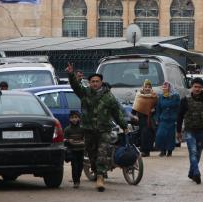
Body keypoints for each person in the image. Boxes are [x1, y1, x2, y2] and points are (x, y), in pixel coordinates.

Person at [66, 63, 127, 192]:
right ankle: (96, 170)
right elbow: (75, 86)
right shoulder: (85, 93)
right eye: (92, 81)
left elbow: (117, 113)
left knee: (102, 153)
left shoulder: (108, 96)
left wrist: (124, 125)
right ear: (89, 83)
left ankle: (100, 178)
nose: (95, 83)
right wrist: (71, 75)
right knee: (92, 154)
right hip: (88, 130)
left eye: (97, 81)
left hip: (104, 130)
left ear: (101, 82)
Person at [177, 77, 203, 184]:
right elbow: (179, 116)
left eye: (199, 87)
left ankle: (191, 173)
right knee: (193, 152)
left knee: (198, 153)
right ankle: (197, 172)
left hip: (202, 131)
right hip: (189, 131)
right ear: (191, 87)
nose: (197, 89)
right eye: (195, 87)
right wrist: (178, 131)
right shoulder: (185, 100)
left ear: (202, 88)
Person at [132, 79, 158, 157]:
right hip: (141, 118)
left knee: (148, 134)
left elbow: (157, 106)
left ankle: (146, 151)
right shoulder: (139, 95)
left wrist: (154, 109)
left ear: (151, 88)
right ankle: (143, 149)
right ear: (143, 87)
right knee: (142, 134)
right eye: (146, 87)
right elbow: (135, 106)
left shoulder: (154, 96)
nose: (147, 88)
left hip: (150, 118)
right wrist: (133, 115)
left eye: (149, 87)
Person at [155, 81, 181, 157]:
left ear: (170, 88)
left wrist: (178, 119)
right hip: (163, 119)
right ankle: (162, 150)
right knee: (160, 135)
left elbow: (178, 108)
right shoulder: (161, 97)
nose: (164, 89)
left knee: (170, 136)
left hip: (172, 119)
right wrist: (157, 119)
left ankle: (169, 151)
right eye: (163, 87)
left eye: (166, 87)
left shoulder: (175, 96)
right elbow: (158, 109)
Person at [64, 110, 85, 188]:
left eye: (76, 117)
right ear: (69, 119)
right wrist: (68, 140)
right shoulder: (67, 129)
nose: (74, 119)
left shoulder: (82, 129)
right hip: (73, 151)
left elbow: (85, 138)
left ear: (79, 118)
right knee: (74, 166)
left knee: (80, 166)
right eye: (72, 118)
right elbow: (64, 140)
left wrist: (84, 141)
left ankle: (78, 179)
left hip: (81, 150)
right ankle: (76, 181)